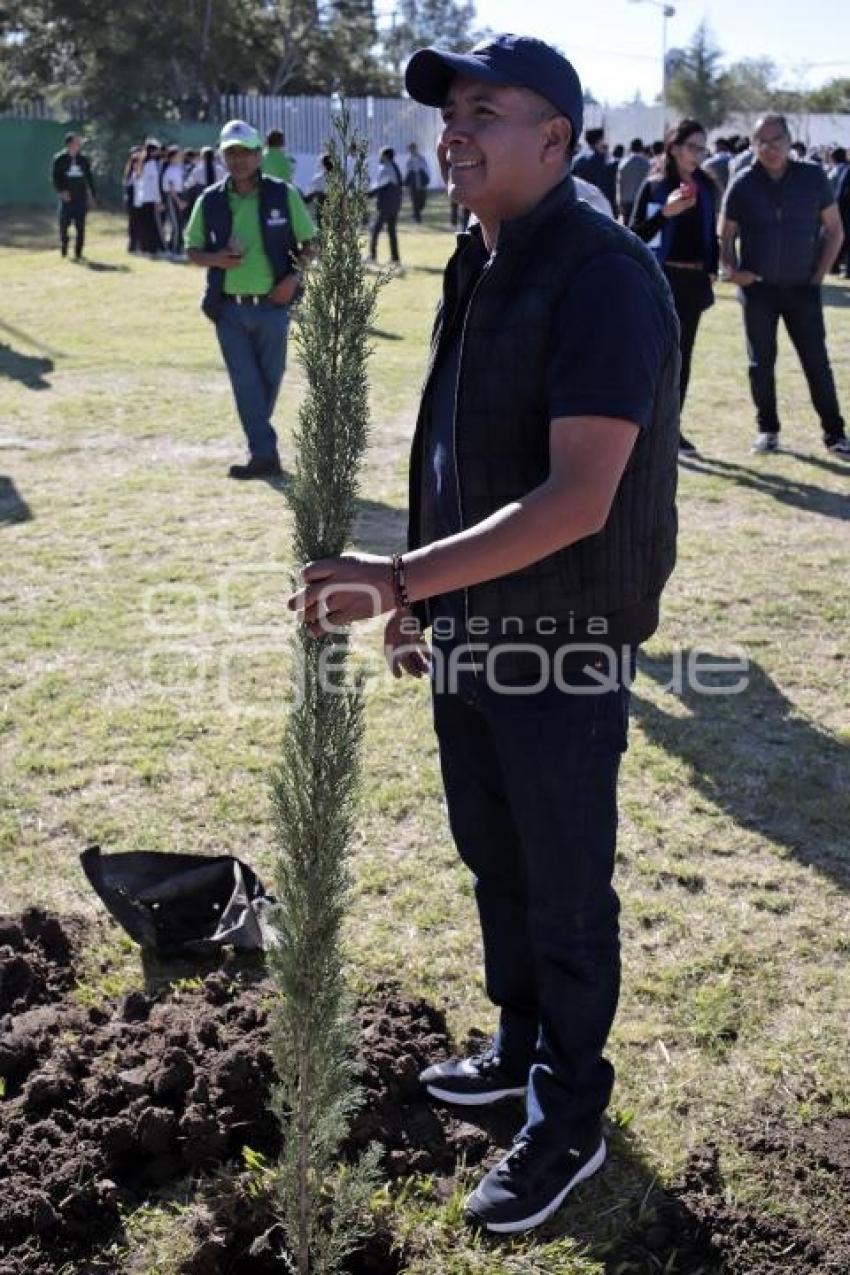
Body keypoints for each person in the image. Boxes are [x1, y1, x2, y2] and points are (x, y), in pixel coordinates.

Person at [288, 32, 679, 1235]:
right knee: (493, 856)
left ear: (555, 141)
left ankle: (567, 1113)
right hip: (474, 629)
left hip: (560, 641)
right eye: (449, 111)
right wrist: (427, 605)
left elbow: (577, 497)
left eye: (486, 112)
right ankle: (517, 1048)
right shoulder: (481, 257)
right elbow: (454, 451)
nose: (454, 130)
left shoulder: (601, 272)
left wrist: (397, 577)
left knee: (563, 888)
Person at [186, 119, 317, 479]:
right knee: (246, 383)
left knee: (269, 381)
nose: (240, 159)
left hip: (274, 307)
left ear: (259, 154)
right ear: (222, 157)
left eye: (246, 152)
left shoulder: (282, 194)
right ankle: (264, 455)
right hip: (228, 309)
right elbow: (192, 250)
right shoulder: (210, 200)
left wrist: (293, 279)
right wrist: (217, 259)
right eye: (232, 153)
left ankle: (260, 441)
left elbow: (311, 243)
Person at [720, 112, 849, 457]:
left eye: (776, 139)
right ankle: (767, 430)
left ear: (790, 141)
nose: (769, 147)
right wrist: (734, 270)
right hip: (758, 291)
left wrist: (820, 273)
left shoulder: (812, 177)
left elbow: (835, 229)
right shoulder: (743, 183)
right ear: (752, 144)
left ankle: (835, 433)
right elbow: (726, 234)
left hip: (802, 288)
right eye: (761, 141)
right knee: (760, 364)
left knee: (816, 362)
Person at [631, 119, 718, 454]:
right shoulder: (655, 187)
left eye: (703, 148)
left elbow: (710, 234)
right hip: (660, 279)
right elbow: (634, 234)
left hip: (693, 282)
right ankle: (641, 428)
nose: (699, 155)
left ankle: (671, 428)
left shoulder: (706, 188)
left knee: (684, 357)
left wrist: (711, 270)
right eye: (694, 147)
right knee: (654, 358)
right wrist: (666, 213)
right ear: (675, 148)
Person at [51, 132, 96, 260]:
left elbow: (89, 178)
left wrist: (92, 195)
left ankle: (78, 252)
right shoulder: (60, 159)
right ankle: (64, 246)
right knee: (64, 225)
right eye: (77, 142)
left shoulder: (84, 160)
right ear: (70, 143)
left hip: (81, 198)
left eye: (79, 142)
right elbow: (55, 178)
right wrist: (61, 191)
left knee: (80, 227)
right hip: (67, 199)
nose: (79, 144)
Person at [367, 146, 403, 265]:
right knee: (392, 232)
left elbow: (377, 186)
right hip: (395, 205)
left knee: (374, 230)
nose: (379, 157)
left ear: (385, 157)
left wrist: (365, 194)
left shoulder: (386, 169)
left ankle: (372, 257)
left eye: (381, 155)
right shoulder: (395, 167)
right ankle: (395, 259)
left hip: (385, 206)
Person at [572, 126, 617, 211]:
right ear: (599, 141)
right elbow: (607, 186)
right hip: (599, 204)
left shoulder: (578, 159)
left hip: (581, 203)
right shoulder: (603, 161)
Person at [137, 139, 165, 257]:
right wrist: (158, 200)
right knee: (152, 225)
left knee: (145, 224)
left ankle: (144, 248)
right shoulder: (152, 164)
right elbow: (154, 184)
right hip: (151, 198)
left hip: (144, 198)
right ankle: (152, 249)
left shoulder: (143, 164)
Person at [161, 144, 187, 258]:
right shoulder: (170, 170)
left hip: (179, 195)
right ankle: (174, 251)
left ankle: (177, 248)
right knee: (175, 225)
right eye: (178, 155)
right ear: (172, 157)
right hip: (172, 198)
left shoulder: (179, 168)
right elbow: (171, 189)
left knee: (180, 225)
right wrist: (178, 202)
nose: (180, 156)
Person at [617, 137, 650, 225]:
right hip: (640, 200)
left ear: (631, 147)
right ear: (641, 148)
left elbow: (619, 183)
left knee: (625, 225)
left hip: (626, 200)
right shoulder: (647, 164)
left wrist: (619, 201)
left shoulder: (623, 163)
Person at [404, 141, 431, 222]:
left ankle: (415, 215)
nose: (412, 150)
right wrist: (406, 183)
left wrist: (426, 180)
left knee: (422, 202)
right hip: (413, 183)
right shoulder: (409, 160)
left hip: (421, 182)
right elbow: (407, 172)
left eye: (413, 148)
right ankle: (417, 218)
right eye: (410, 149)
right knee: (415, 201)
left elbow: (426, 169)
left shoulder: (421, 158)